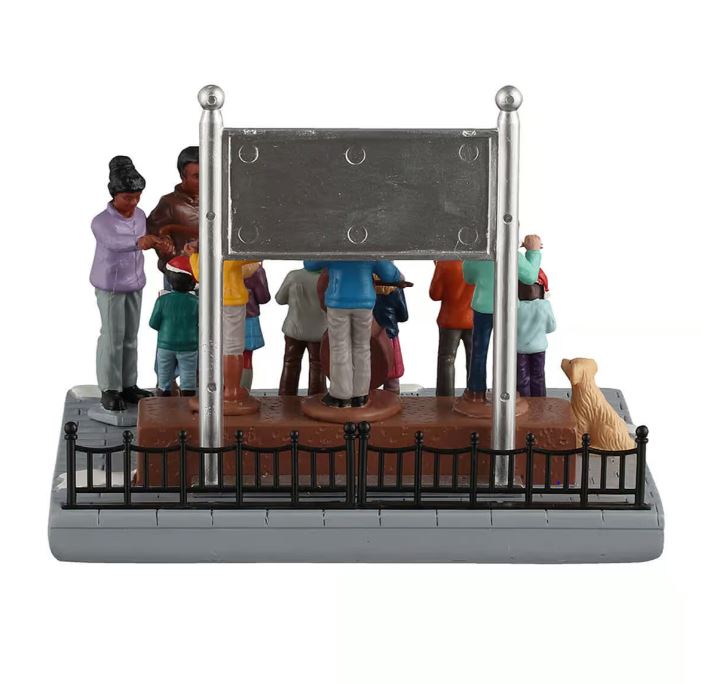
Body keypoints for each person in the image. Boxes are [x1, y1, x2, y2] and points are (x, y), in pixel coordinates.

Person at [90, 156, 172, 411]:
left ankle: (128, 384)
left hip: (135, 282)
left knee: (130, 337)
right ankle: (109, 387)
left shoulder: (140, 216)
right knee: (112, 337)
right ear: (114, 195)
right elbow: (115, 243)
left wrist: (159, 242)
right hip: (111, 285)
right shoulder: (101, 221)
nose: (134, 202)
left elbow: (147, 238)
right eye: (128, 197)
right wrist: (140, 242)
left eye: (137, 196)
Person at [303, 260, 402, 408]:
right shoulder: (370, 251)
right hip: (364, 301)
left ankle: (341, 395)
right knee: (362, 348)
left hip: (338, 301)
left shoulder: (333, 250)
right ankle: (360, 394)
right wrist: (397, 275)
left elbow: (310, 264)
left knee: (339, 348)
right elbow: (389, 273)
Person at [462, 234, 543, 402]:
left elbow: (468, 278)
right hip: (507, 309)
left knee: (479, 350)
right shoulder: (513, 255)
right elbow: (530, 277)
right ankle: (505, 390)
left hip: (483, 306)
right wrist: (533, 252)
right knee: (507, 351)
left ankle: (476, 391)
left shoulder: (479, 255)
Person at [187, 241, 258, 409]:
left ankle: (217, 386)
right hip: (231, 300)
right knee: (233, 347)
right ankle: (232, 389)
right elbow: (254, 256)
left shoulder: (204, 256)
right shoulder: (229, 255)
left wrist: (194, 254)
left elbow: (199, 275)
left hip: (212, 301)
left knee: (215, 343)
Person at [146, 146, 199, 285]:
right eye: (197, 176)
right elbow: (152, 231)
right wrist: (165, 245)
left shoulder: (219, 201)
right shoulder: (170, 203)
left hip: (212, 274)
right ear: (183, 176)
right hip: (179, 274)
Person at [149, 256, 199, 397]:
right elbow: (202, 325)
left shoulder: (162, 300)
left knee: (164, 377)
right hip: (189, 345)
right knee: (188, 376)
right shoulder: (196, 302)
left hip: (165, 345)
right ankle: (188, 399)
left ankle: (163, 400)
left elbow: (153, 323)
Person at [276, 267, 328, 396]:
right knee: (318, 365)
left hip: (294, 328)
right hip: (319, 330)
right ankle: (316, 397)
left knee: (290, 362)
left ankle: (286, 395)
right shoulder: (328, 278)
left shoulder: (294, 276)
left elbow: (280, 299)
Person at [429, 260, 476, 396]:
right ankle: (474, 394)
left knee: (446, 359)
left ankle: (445, 396)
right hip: (473, 318)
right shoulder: (478, 261)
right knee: (474, 358)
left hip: (449, 319)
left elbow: (435, 294)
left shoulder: (444, 264)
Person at [517, 269, 556, 397]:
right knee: (538, 376)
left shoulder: (515, 306)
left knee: (522, 378)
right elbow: (551, 327)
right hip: (539, 347)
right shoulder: (545, 306)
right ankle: (539, 402)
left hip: (520, 348)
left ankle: (525, 402)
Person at [372, 275, 409, 393]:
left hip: (371, 336)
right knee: (392, 377)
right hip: (390, 335)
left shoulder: (366, 289)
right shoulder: (396, 290)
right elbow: (403, 316)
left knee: (369, 372)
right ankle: (392, 397)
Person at [242, 262, 271, 391]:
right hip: (248, 316)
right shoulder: (255, 269)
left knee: (226, 355)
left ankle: (225, 390)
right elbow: (263, 297)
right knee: (246, 356)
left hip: (223, 315)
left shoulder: (222, 262)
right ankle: (244, 391)